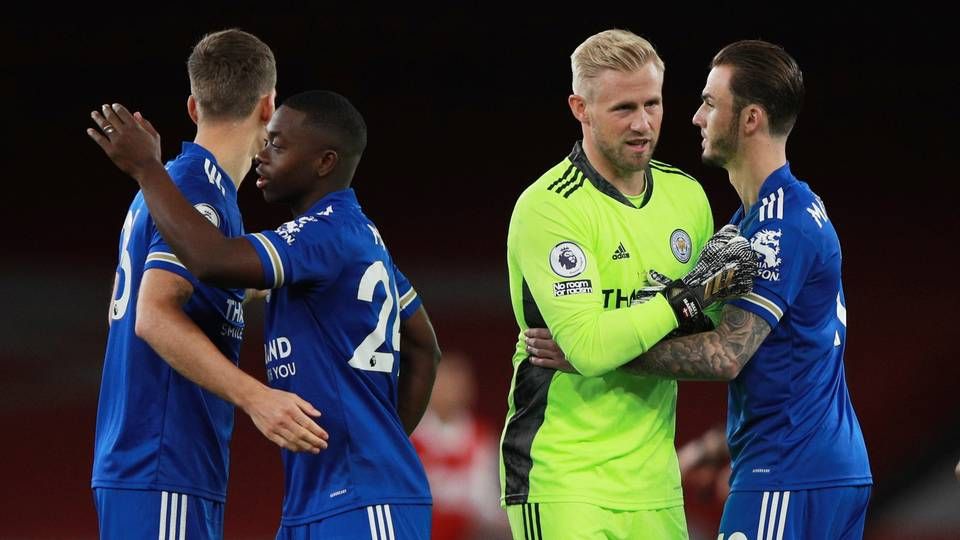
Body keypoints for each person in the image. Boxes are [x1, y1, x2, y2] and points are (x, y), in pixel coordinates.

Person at [526, 40, 873, 539]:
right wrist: (715, 446)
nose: (695, 116)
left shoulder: (775, 227)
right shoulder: (760, 219)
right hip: (816, 466)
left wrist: (595, 351)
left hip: (788, 473)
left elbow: (724, 354)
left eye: (710, 103)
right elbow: (783, 362)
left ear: (750, 119)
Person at [88, 90, 441, 539]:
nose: (262, 154)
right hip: (313, 502)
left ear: (324, 162)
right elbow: (422, 345)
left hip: (363, 501)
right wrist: (383, 441)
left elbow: (211, 258)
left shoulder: (327, 234)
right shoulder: (349, 239)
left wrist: (148, 169)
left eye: (278, 144)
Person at [500, 29, 756, 540]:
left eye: (653, 103)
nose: (643, 124)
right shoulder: (550, 207)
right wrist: (682, 298)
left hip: (656, 486)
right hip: (563, 478)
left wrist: (651, 321)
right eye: (623, 109)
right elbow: (591, 349)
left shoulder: (687, 198)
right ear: (581, 108)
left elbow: (709, 339)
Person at [90, 29, 327, 540]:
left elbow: (212, 284)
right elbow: (154, 316)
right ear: (269, 106)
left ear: (194, 107)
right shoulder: (197, 192)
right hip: (161, 458)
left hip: (160, 464)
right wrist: (256, 397)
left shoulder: (184, 189)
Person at [411, 351, 511, 540]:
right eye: (443, 383)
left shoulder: (481, 436)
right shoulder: (409, 435)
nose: (449, 391)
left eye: (456, 384)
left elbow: (486, 500)